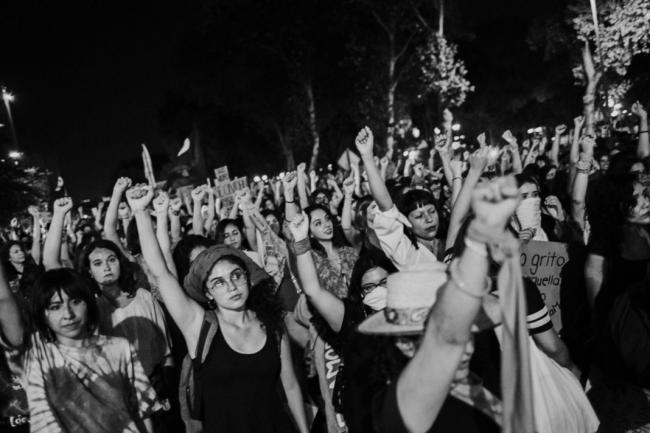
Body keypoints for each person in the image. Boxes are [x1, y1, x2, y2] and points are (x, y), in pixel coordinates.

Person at [127, 183, 309, 433]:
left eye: (236, 276)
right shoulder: (199, 325)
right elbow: (161, 272)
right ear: (208, 292)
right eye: (218, 282)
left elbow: (290, 386)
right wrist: (140, 212)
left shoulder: (272, 325)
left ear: (247, 277)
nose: (232, 286)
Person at [0, 266, 161, 433]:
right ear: (43, 314)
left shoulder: (119, 348)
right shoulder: (35, 357)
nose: (68, 314)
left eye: (75, 302)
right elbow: (3, 300)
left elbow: (142, 413)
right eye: (55, 307)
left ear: (88, 303)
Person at [356, 127, 443, 271]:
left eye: (432, 211)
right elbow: (386, 207)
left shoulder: (451, 242)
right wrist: (367, 157)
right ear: (405, 221)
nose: (429, 219)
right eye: (419, 216)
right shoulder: (405, 252)